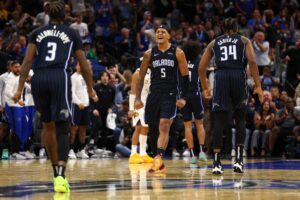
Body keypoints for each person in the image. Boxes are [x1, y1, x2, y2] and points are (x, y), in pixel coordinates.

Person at [12, 0, 98, 193]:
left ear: (48, 14)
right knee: (63, 128)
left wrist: (19, 89)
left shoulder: (36, 33)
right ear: (65, 13)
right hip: (60, 76)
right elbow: (84, 64)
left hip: (39, 77)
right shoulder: (72, 33)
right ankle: (60, 173)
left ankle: (55, 174)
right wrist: (91, 89)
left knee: (47, 126)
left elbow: (26, 63)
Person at [199, 18, 263, 174]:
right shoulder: (244, 40)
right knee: (240, 117)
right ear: (236, 28)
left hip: (220, 77)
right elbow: (252, 61)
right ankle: (239, 160)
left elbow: (201, 67)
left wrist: (205, 87)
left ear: (222, 28)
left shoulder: (214, 42)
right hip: (238, 76)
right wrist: (258, 85)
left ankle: (216, 162)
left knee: (219, 120)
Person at [135, 25, 189, 173]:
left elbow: (185, 77)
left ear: (168, 36)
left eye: (162, 32)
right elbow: (141, 77)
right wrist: (138, 98)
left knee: (164, 124)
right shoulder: (148, 54)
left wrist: (183, 97)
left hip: (170, 94)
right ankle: (157, 160)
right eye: (157, 32)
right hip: (154, 94)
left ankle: (159, 156)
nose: (159, 33)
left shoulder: (178, 52)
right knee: (152, 128)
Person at [180, 40, 207, 164]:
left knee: (187, 126)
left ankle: (192, 155)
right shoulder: (199, 62)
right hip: (196, 95)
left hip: (183, 97)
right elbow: (203, 78)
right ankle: (201, 151)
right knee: (200, 124)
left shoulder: (181, 62)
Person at [128, 66, 153, 164]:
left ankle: (143, 153)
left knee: (145, 128)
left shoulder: (151, 72)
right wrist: (131, 109)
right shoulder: (137, 73)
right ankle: (133, 154)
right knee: (138, 128)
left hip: (147, 104)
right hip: (138, 104)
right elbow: (133, 92)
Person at [68, 60, 93, 160]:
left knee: (83, 129)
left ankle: (81, 150)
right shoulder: (73, 77)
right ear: (76, 66)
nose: (81, 66)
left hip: (86, 106)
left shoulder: (86, 76)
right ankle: (71, 150)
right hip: (76, 106)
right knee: (74, 128)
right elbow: (71, 93)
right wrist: (79, 103)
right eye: (79, 64)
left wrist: (93, 95)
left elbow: (87, 90)